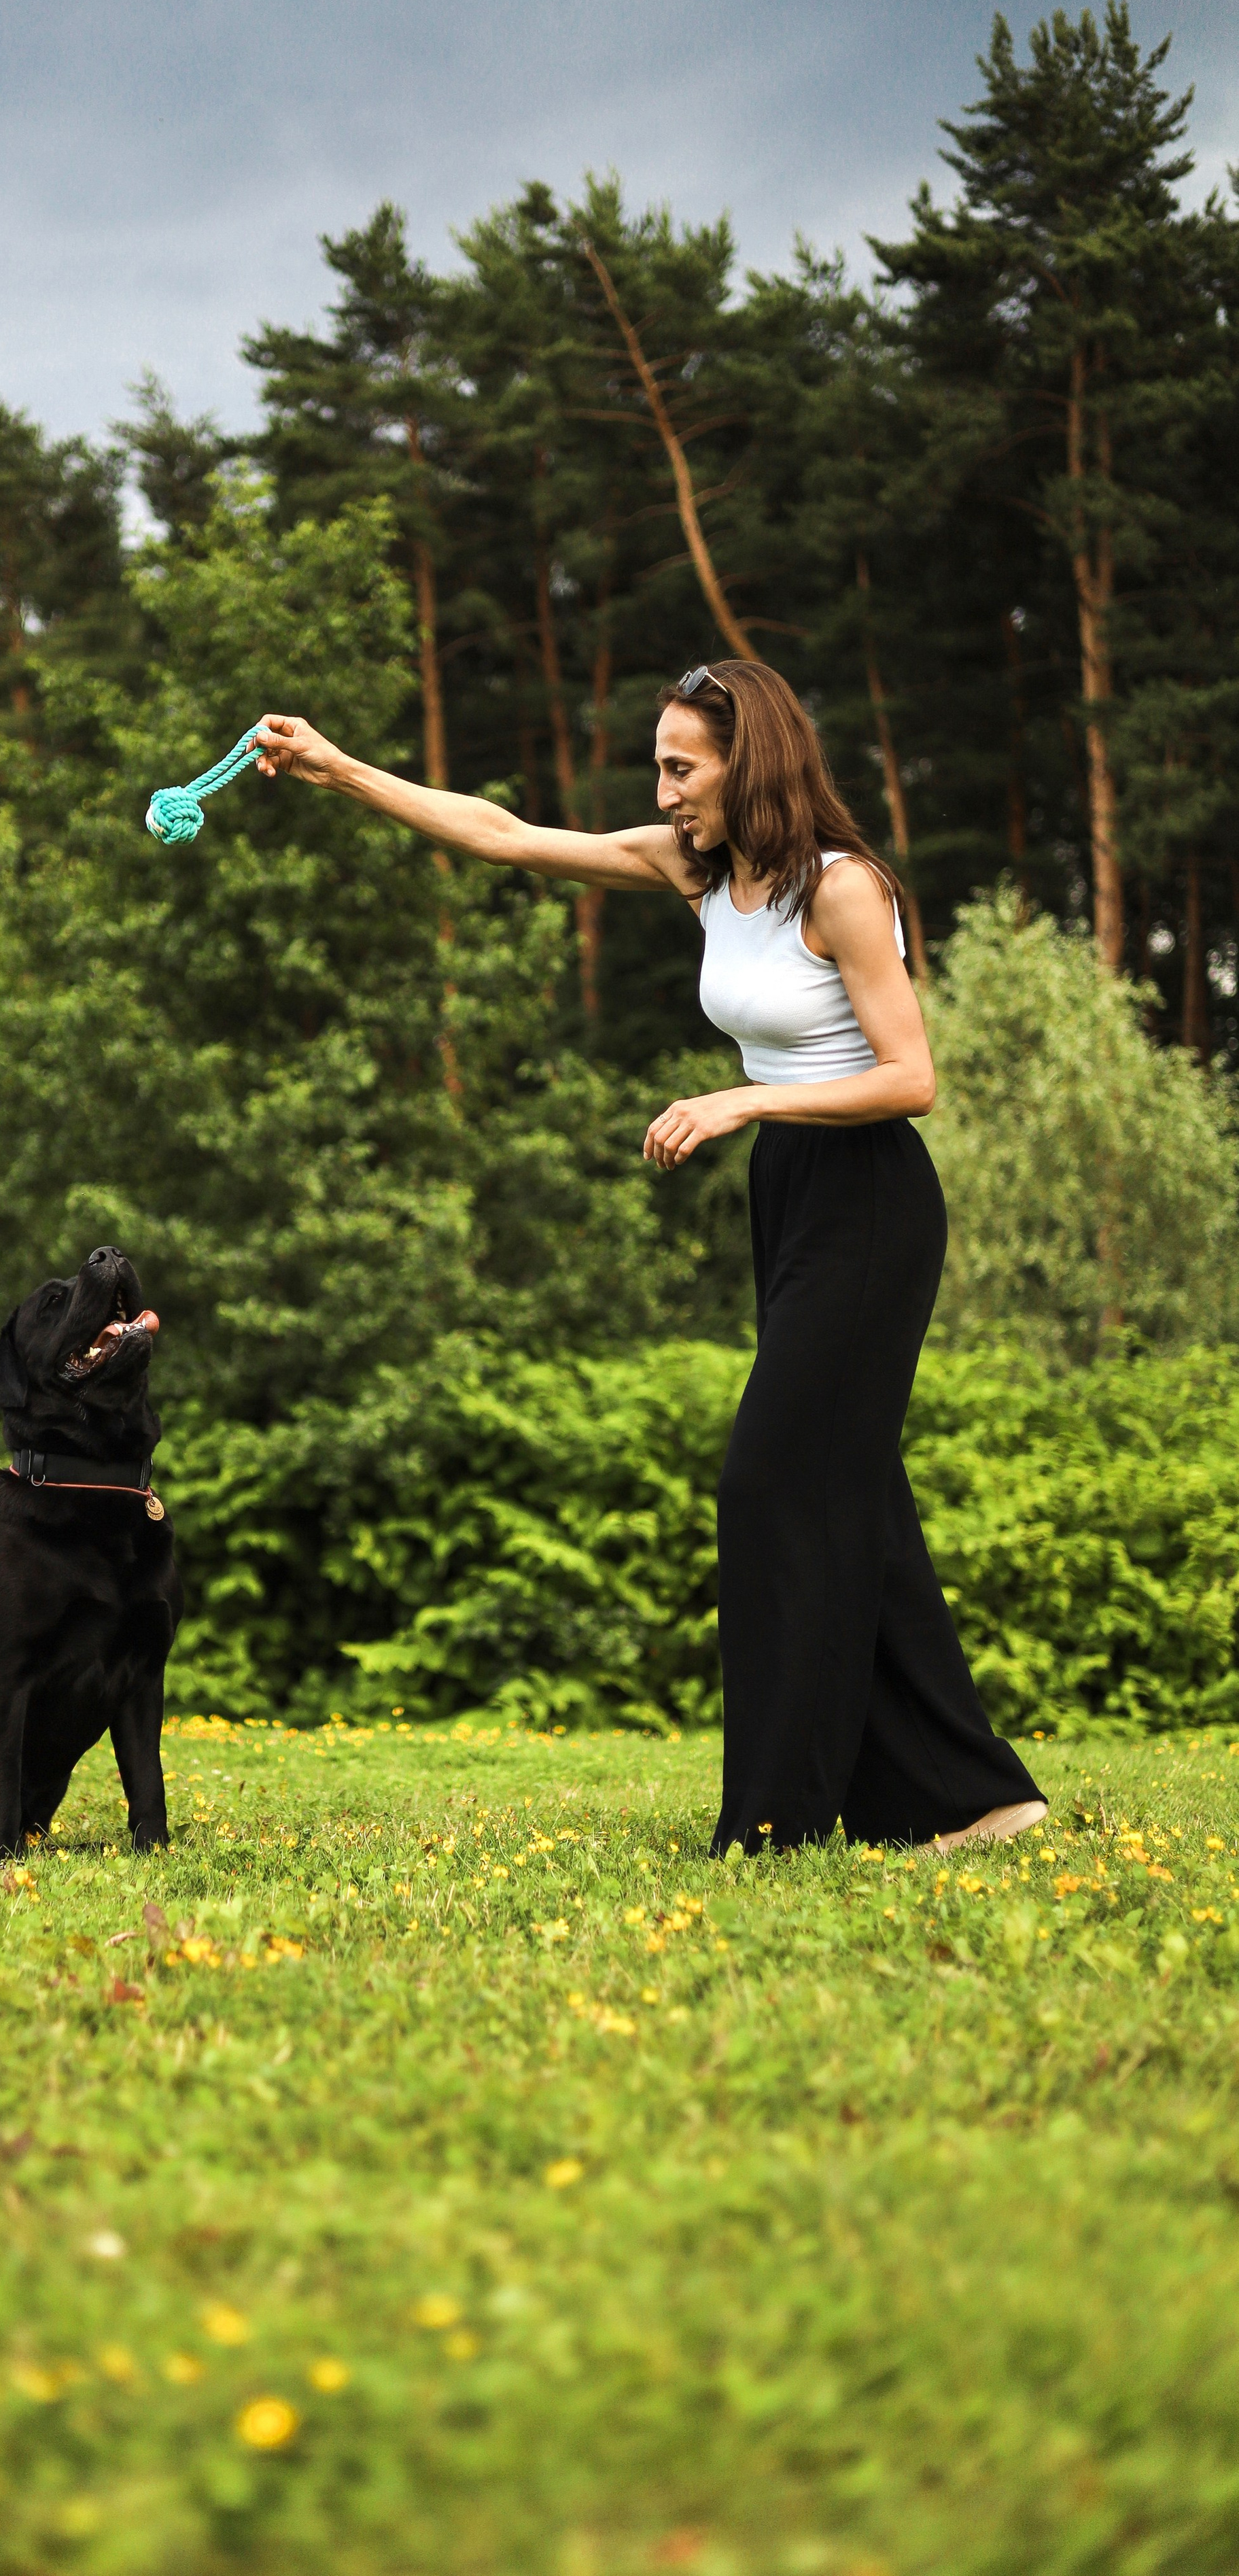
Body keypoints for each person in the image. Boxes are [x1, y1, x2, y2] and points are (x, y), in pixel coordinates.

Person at [249, 661, 1045, 1855]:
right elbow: (507, 837)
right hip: (793, 1196)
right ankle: (977, 1798)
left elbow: (912, 1077)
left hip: (870, 1200)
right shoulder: (702, 874)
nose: (664, 789)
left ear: (750, 761)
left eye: (683, 766)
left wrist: (739, 1105)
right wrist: (339, 768)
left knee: (771, 1485)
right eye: (661, 767)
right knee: (856, 1493)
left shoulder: (842, 890)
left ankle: (779, 1821)